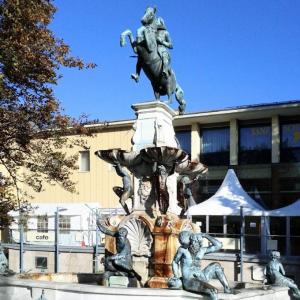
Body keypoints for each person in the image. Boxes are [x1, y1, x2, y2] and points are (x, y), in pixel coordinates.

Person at [169, 231, 231, 299]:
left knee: (216, 265)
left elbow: (219, 245)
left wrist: (205, 235)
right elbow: (175, 262)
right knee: (213, 291)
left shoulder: (202, 250)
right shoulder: (182, 250)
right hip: (189, 280)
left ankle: (227, 288)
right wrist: (176, 275)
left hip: (202, 277)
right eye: (194, 243)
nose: (195, 245)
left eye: (198, 243)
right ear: (189, 243)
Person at [96, 219, 141, 283]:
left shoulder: (126, 243)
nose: (120, 238)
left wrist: (110, 258)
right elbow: (106, 231)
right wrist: (99, 225)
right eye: (119, 236)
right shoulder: (117, 234)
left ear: (125, 236)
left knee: (116, 261)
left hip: (125, 261)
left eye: (121, 237)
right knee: (108, 263)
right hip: (118, 258)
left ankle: (129, 272)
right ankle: (116, 272)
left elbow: (121, 255)